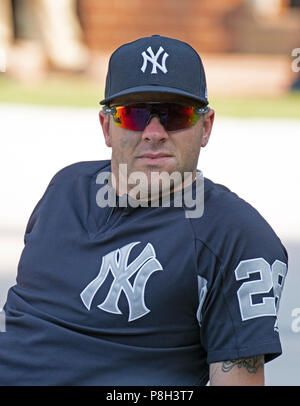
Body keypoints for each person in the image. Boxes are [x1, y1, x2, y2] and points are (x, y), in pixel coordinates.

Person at [0, 35, 288, 386]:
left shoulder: (234, 234)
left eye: (175, 115)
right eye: (133, 115)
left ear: (206, 127)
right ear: (107, 127)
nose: (154, 133)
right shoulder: (65, 188)